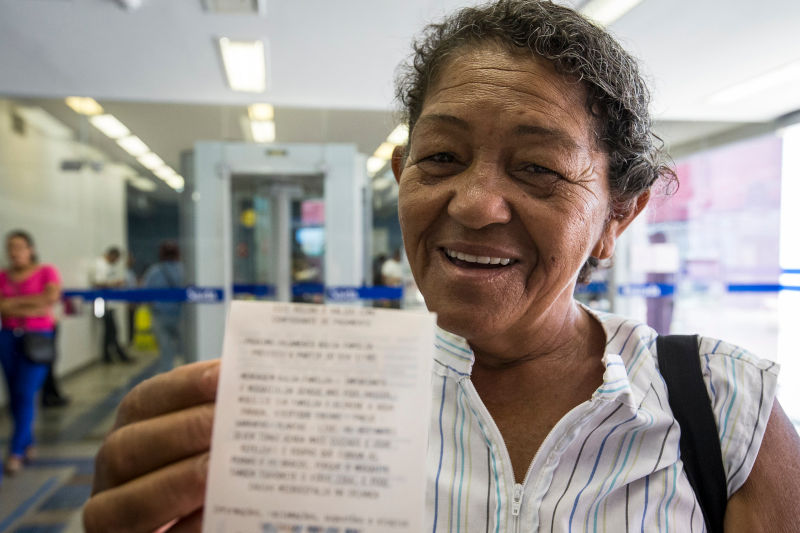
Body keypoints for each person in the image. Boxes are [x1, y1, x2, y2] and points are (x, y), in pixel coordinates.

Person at [83, 1, 800, 531]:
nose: (477, 203)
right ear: (402, 173)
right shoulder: (317, 403)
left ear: (619, 215)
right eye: (442, 157)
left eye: (538, 167)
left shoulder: (723, 410)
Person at [0, 230, 62, 476]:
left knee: (26, 392)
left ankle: (15, 451)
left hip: (37, 339)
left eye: (19, 247)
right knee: (15, 395)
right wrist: (33, 304)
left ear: (30, 249)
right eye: (10, 247)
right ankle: (28, 443)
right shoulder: (4, 276)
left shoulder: (47, 271)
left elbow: (50, 299)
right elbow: (2, 307)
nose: (14, 252)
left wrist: (14, 305)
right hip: (8, 339)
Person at [142, 241, 184, 372]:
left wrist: (153, 309)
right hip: (182, 316)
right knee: (187, 349)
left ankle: (168, 378)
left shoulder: (154, 272)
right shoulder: (184, 270)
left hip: (160, 316)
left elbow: (146, 294)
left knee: (166, 352)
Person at [91, 246, 133, 364]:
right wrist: (115, 283)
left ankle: (108, 356)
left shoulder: (108, 266)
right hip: (100, 302)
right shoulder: (100, 265)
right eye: (116, 259)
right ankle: (118, 355)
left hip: (109, 303)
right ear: (112, 255)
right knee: (111, 329)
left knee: (110, 330)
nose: (116, 262)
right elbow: (97, 283)